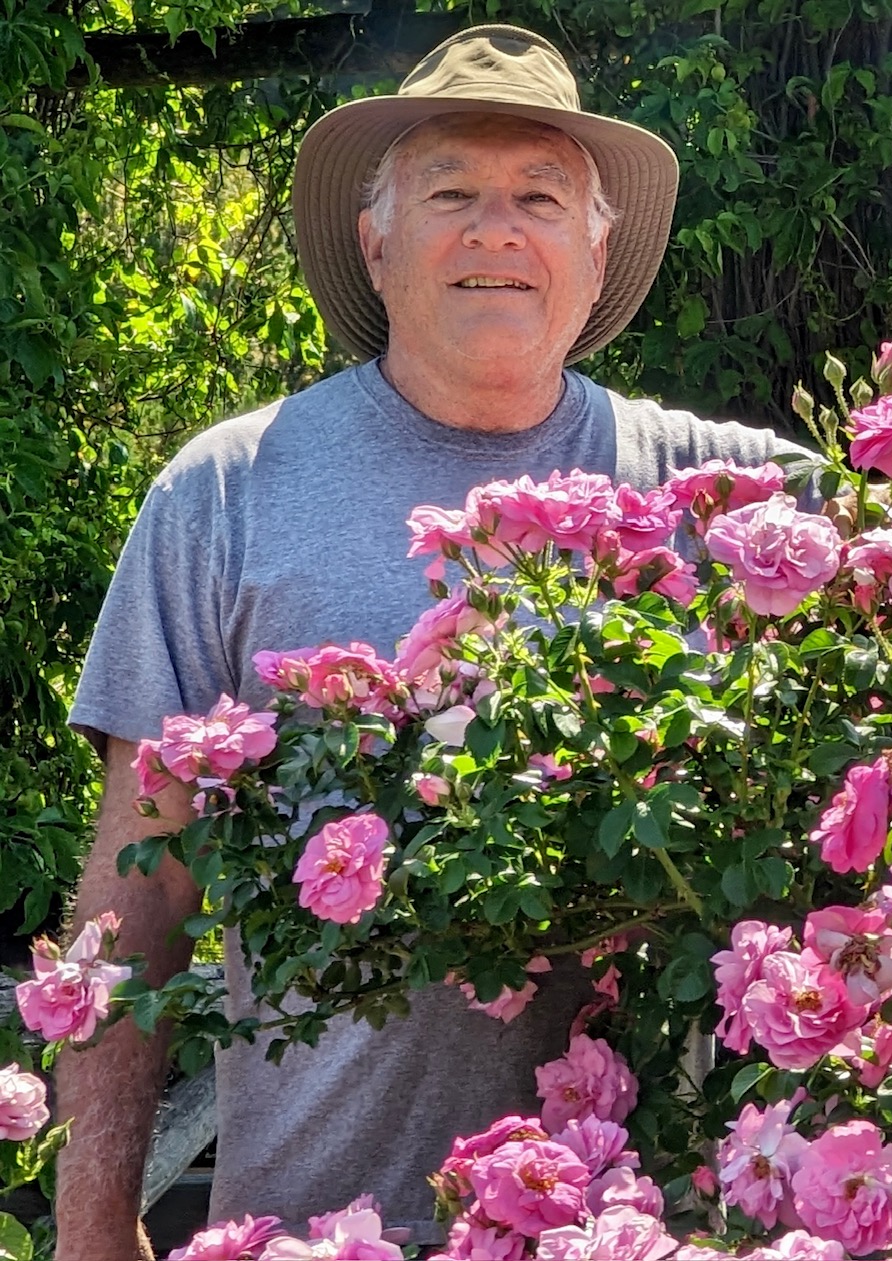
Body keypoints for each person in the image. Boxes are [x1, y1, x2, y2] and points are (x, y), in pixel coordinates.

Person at [60, 24, 812, 1256]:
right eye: (450, 192)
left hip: (647, 1229)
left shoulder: (713, 497)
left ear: (595, 245)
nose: (495, 228)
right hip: (301, 1227)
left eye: (539, 198)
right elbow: (134, 895)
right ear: (376, 236)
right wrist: (92, 1232)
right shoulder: (229, 492)